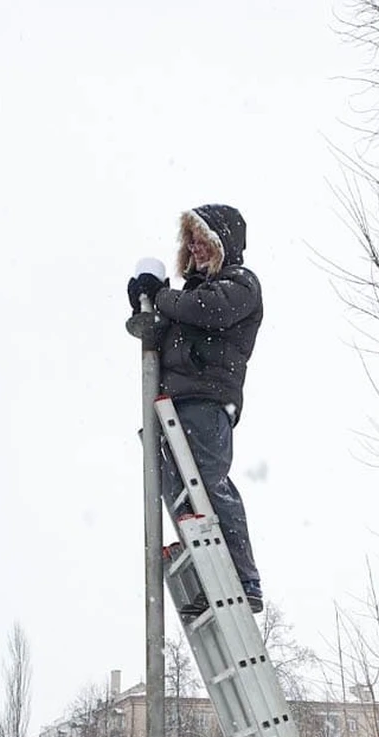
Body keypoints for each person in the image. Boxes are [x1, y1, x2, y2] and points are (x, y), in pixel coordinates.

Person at [128, 204, 264, 615]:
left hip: (207, 402)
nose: (196, 248)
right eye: (191, 241)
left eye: (204, 240)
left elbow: (208, 310)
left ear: (223, 243)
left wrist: (163, 295)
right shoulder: (187, 296)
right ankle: (211, 576)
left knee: (207, 483)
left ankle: (242, 578)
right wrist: (143, 304)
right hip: (172, 404)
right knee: (179, 494)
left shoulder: (239, 284)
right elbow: (163, 329)